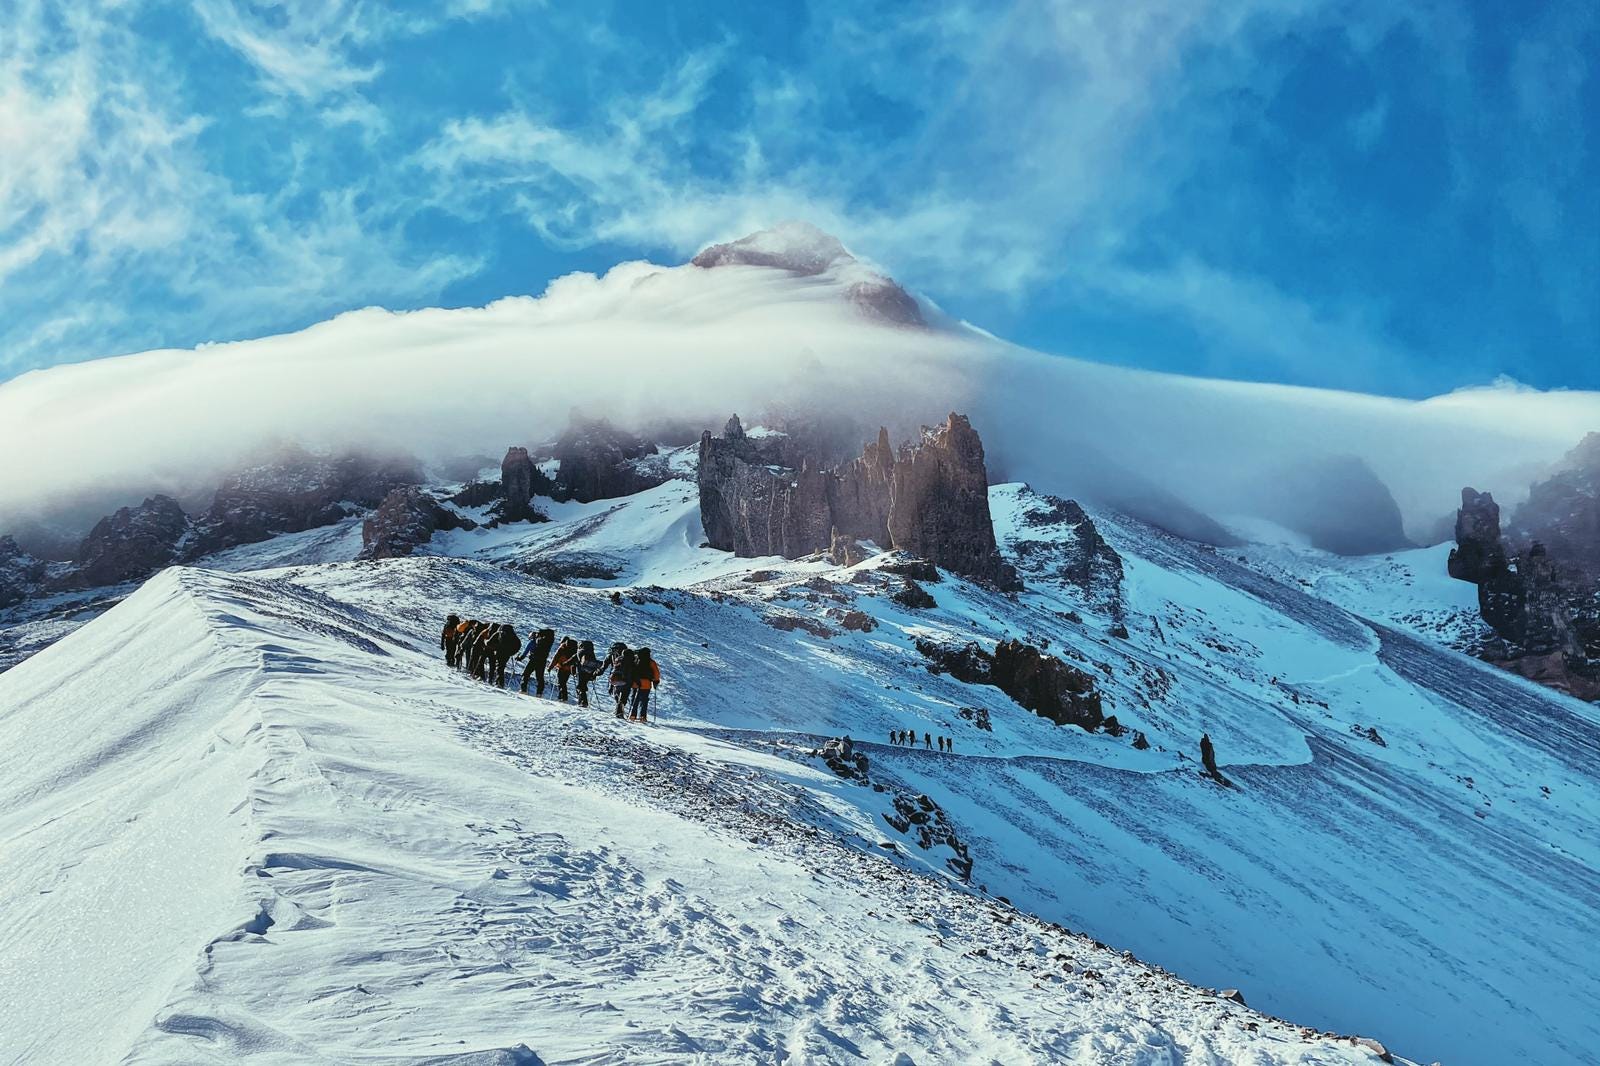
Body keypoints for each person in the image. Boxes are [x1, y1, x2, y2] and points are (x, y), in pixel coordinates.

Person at [518, 628, 556, 695]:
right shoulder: (549, 642)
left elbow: (526, 652)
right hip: (542, 661)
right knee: (540, 677)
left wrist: (520, 658)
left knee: (526, 674)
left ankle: (523, 690)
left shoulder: (534, 641)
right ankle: (539, 693)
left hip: (534, 659)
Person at [602, 642, 632, 718]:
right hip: (628, 679)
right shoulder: (630, 657)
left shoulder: (612, 656)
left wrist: (595, 673)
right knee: (624, 695)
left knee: (617, 694)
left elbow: (604, 666)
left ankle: (618, 710)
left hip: (615, 678)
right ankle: (620, 710)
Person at [630, 647, 660, 721]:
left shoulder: (636, 660)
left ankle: (633, 715)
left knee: (635, 699)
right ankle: (643, 717)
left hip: (636, 683)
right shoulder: (651, 662)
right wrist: (655, 682)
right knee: (644, 701)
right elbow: (656, 673)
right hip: (646, 684)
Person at [550, 636, 578, 701]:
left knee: (561, 682)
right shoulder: (574, 648)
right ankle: (561, 697)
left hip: (562, 666)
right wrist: (573, 671)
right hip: (569, 668)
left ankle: (563, 697)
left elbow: (555, 658)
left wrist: (550, 667)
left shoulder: (562, 647)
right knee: (563, 682)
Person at [574, 640, 601, 707]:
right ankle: (582, 702)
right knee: (583, 686)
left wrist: (565, 663)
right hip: (589, 672)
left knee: (580, 687)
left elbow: (573, 659)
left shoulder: (580, 651)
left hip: (581, 671)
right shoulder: (591, 652)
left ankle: (583, 702)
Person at [492, 623, 520, 688]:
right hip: (507, 654)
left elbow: (491, 642)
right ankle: (499, 683)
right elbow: (518, 645)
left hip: (499, 653)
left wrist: (495, 648)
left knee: (499, 668)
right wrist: (511, 653)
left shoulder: (500, 633)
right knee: (501, 667)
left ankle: (499, 683)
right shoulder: (513, 636)